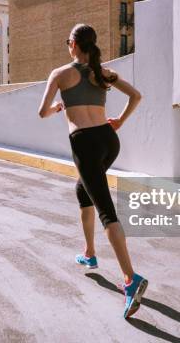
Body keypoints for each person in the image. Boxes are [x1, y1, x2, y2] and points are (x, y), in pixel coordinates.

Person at [38, 23, 147, 319]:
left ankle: (130, 279)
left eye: (66, 42)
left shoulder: (60, 75)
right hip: (109, 141)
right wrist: (120, 121)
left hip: (85, 144)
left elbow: (42, 112)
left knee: (106, 213)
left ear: (73, 44)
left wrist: (58, 110)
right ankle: (89, 253)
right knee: (82, 191)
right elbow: (136, 96)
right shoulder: (103, 72)